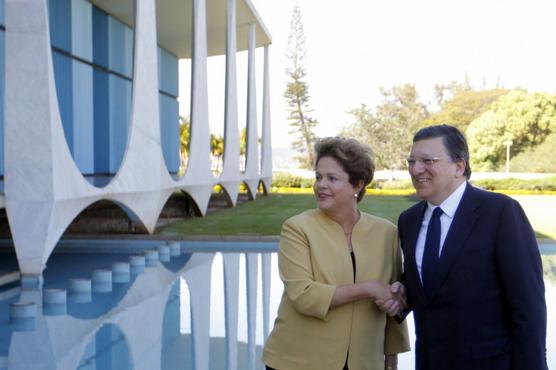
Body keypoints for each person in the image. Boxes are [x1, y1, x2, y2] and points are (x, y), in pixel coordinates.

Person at [380, 124, 548, 370]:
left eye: (428, 160)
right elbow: (432, 280)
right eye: (411, 161)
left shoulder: (500, 212)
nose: (416, 170)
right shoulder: (409, 220)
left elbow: (528, 305)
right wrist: (403, 292)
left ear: (459, 166)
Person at [262, 137, 410, 370]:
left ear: (358, 185)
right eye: (318, 177)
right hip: (297, 361)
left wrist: (391, 359)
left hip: (365, 363)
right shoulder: (297, 228)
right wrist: (370, 288)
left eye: (332, 178)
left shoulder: (387, 233)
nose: (321, 185)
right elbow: (304, 296)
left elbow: (393, 301)